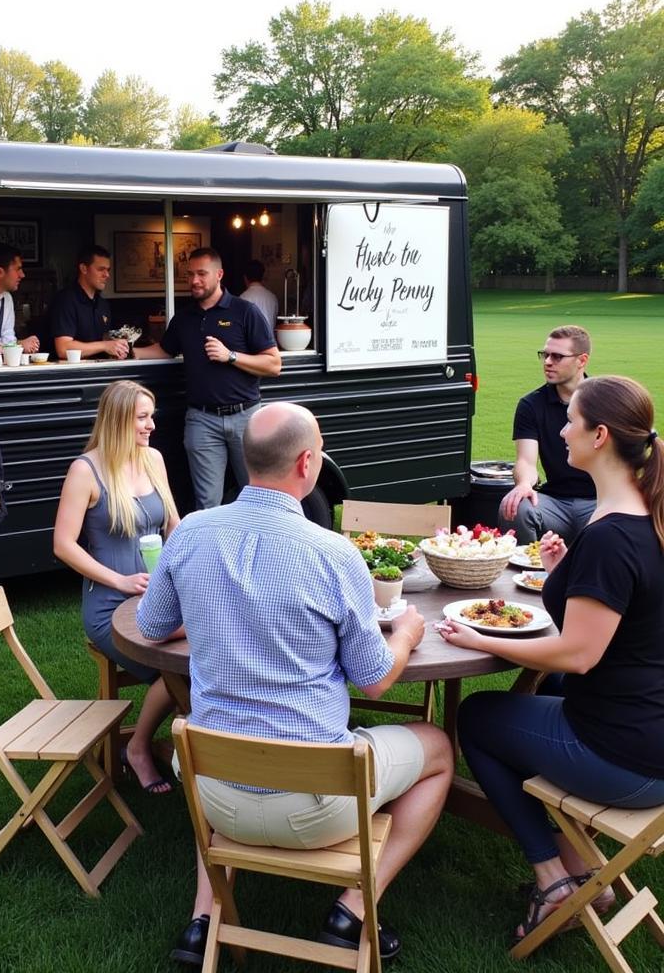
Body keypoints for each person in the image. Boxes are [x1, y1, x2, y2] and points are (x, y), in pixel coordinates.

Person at [138, 402, 453, 965]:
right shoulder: (334, 554)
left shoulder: (189, 534)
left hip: (211, 796)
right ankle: (354, 906)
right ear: (308, 463)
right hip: (317, 808)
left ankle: (202, 921)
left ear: (246, 459)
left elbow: (153, 625)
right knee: (439, 748)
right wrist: (405, 632)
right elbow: (377, 681)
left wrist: (218, 610)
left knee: (215, 742)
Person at [440, 375, 664, 945]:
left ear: (601, 435)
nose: (562, 429)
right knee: (546, 690)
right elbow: (614, 620)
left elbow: (580, 652)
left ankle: (553, 877)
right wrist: (566, 568)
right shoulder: (645, 515)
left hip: (629, 760)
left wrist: (480, 639)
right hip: (650, 731)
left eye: (572, 422)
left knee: (479, 720)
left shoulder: (612, 536)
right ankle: (585, 867)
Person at [53, 380, 180, 793]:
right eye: (142, 417)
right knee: (182, 670)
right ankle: (141, 747)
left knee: (210, 653)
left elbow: (174, 526)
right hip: (111, 606)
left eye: (151, 415)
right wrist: (121, 580)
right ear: (118, 420)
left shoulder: (153, 460)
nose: (151, 425)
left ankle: (196, 746)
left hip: (157, 598)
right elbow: (62, 545)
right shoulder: (85, 470)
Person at [139, 247, 282, 509]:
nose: (194, 280)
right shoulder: (183, 319)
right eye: (190, 274)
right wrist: (128, 352)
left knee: (258, 498)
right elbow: (163, 350)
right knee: (207, 504)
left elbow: (274, 364)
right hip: (202, 421)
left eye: (201, 274)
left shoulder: (245, 311)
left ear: (219, 274)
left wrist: (231, 356)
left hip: (246, 418)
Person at [499, 325, 596, 544]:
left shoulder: (605, 399)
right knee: (515, 506)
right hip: (555, 501)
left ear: (582, 360)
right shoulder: (531, 405)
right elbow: (526, 460)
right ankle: (527, 575)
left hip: (599, 501)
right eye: (545, 355)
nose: (548, 362)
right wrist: (524, 484)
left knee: (615, 521)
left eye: (557, 356)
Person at [49, 245, 131, 360]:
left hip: (102, 372)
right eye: (101, 269)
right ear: (84, 269)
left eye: (108, 270)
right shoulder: (66, 300)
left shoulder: (103, 304)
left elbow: (105, 344)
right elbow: (63, 349)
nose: (107, 275)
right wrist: (105, 346)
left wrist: (117, 348)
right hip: (72, 375)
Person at [239, 259, 278, 330]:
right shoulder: (272, 297)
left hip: (250, 341)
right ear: (262, 276)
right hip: (270, 339)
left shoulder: (242, 298)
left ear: (245, 278)